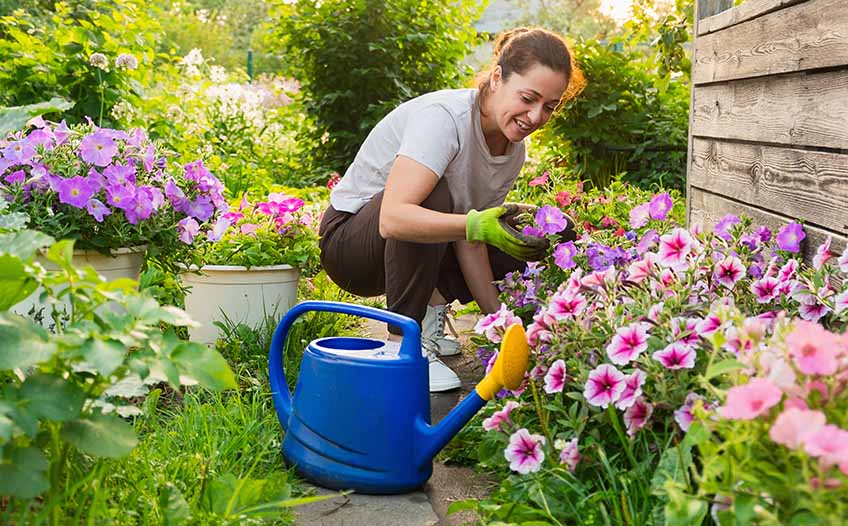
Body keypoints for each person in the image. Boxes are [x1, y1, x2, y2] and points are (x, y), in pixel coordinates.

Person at [319, 27, 583, 392]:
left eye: (549, 107)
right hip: (351, 245)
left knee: (538, 230)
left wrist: (502, 327)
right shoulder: (444, 118)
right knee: (434, 195)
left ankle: (430, 310)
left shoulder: (512, 148)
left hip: (405, 251)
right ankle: (404, 346)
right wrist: (474, 224)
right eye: (528, 98)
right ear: (497, 78)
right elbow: (394, 217)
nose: (536, 117)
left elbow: (470, 237)